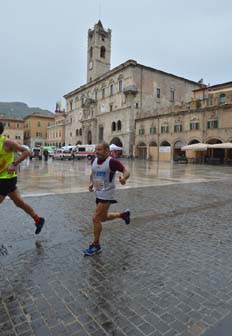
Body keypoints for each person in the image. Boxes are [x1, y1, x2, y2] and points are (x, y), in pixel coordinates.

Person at [84, 142, 130, 256]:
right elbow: (93, 174)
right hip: (98, 192)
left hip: (107, 194)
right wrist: (91, 183)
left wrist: (124, 178)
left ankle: (96, 245)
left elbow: (126, 170)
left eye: (99, 150)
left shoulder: (112, 161)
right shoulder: (93, 160)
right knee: (103, 218)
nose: (97, 152)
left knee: (95, 218)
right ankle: (123, 215)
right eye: (96, 149)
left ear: (107, 151)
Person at [0, 122, 45, 234]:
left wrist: (13, 164)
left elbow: (26, 152)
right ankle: (38, 219)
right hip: (3, 178)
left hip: (6, 179)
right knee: (18, 202)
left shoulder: (6, 142)